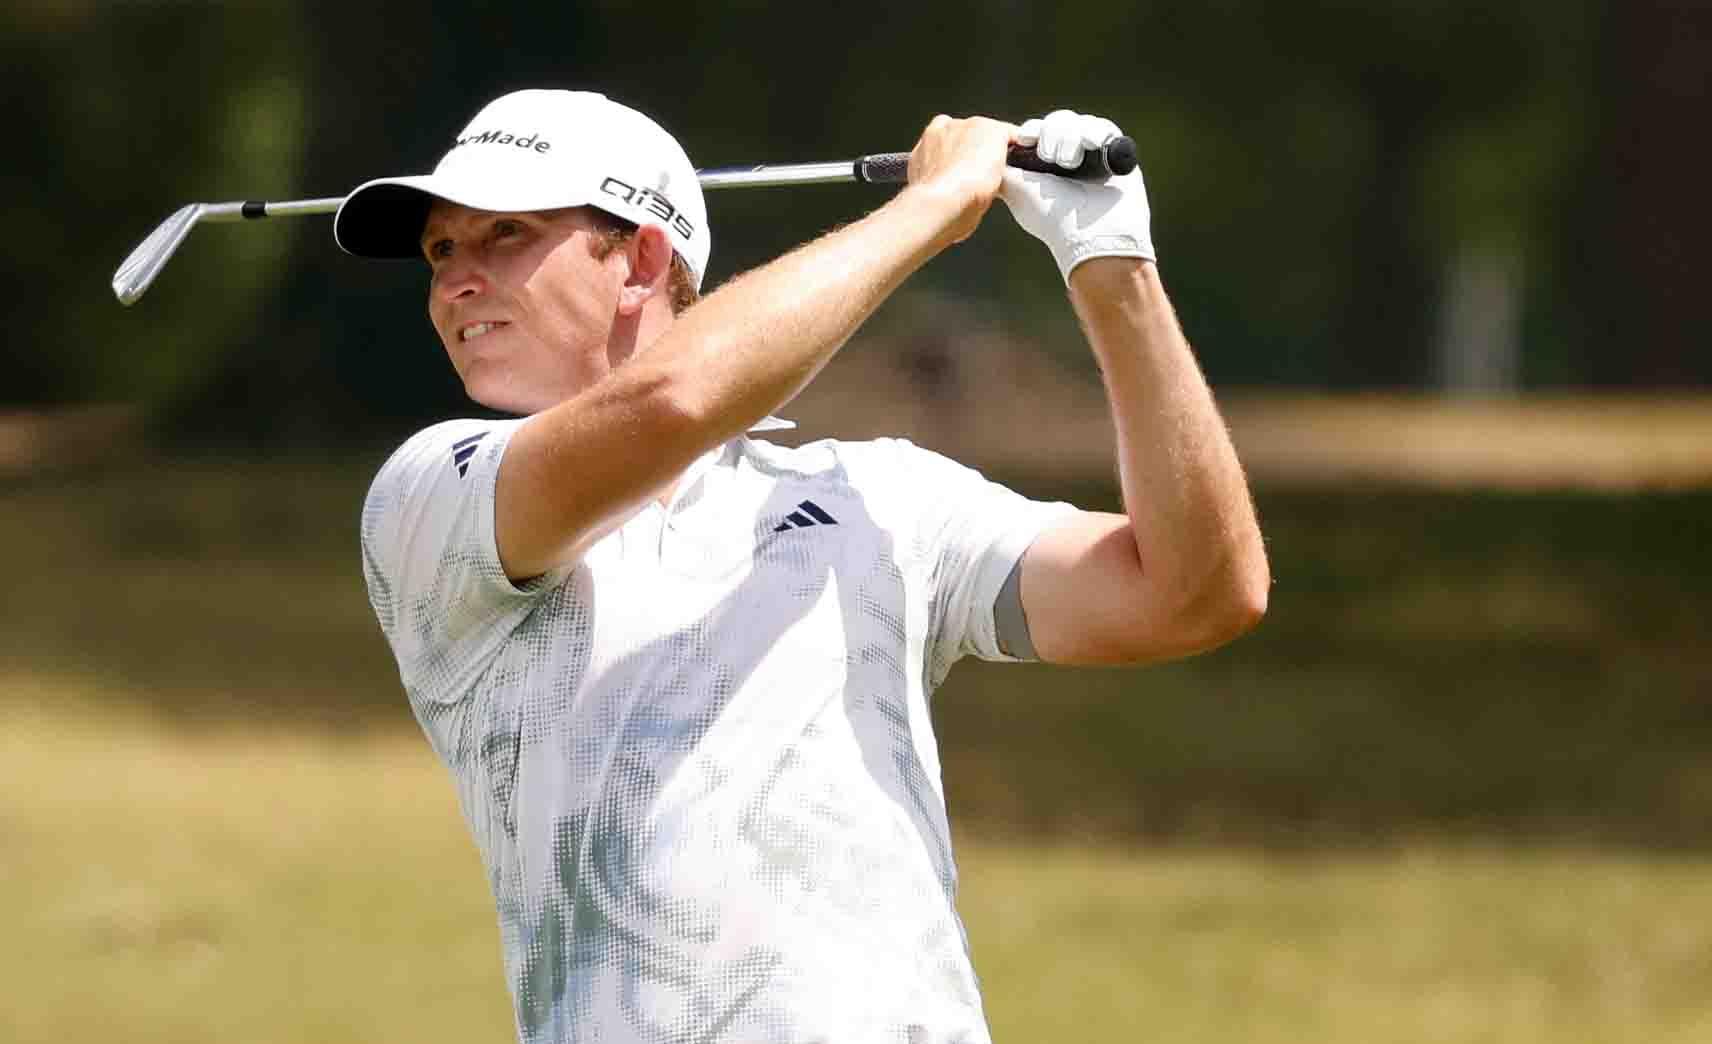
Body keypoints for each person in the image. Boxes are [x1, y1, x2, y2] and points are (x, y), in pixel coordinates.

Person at [338, 88, 1268, 1044]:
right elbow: (674, 404)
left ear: (641, 261)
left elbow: (1195, 593)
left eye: (502, 235)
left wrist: (1112, 268)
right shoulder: (434, 498)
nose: (454, 280)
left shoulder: (883, 498)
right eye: (441, 250)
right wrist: (931, 210)